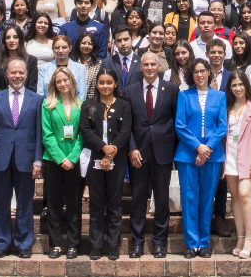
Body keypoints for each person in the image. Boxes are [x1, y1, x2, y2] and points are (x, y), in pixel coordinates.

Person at [0, 58, 42, 258]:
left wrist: (38, 160)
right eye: (13, 72)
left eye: (21, 73)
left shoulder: (37, 99)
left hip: (26, 156)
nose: (17, 76)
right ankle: (1, 244)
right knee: (0, 202)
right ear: (6, 74)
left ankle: (23, 244)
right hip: (0, 156)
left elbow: (39, 132)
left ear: (26, 74)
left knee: (25, 202)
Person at [124, 51, 178, 259]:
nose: (148, 68)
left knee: (162, 200)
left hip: (162, 154)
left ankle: (159, 243)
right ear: (141, 67)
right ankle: (137, 243)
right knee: (138, 199)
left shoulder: (171, 90)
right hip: (138, 153)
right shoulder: (130, 91)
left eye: (152, 65)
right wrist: (132, 148)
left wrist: (172, 152)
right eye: (145, 64)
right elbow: (127, 125)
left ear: (158, 67)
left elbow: (175, 122)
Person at [175, 59, 228, 258]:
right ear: (192, 75)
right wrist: (198, 147)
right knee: (190, 199)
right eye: (196, 72)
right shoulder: (184, 96)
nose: (199, 75)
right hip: (188, 154)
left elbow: (222, 126)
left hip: (212, 156)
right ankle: (191, 243)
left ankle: (203, 243)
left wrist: (207, 148)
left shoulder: (220, 96)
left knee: (207, 199)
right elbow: (180, 125)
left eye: (203, 71)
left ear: (209, 73)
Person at [80, 68, 131, 260]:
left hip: (116, 159)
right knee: (96, 203)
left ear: (115, 84)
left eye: (109, 82)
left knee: (115, 203)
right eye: (102, 82)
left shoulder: (124, 105)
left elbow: (125, 131)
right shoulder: (88, 105)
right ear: (97, 85)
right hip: (95, 158)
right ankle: (95, 245)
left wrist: (111, 151)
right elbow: (85, 130)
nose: (105, 86)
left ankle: (113, 245)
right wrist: (103, 148)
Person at [41, 66, 84, 259]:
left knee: (74, 203)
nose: (62, 84)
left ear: (72, 82)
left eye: (65, 80)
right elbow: (47, 135)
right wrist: (60, 159)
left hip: (74, 161)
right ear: (54, 84)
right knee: (54, 203)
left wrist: (72, 158)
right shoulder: (47, 105)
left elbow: (83, 135)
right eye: (58, 81)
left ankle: (74, 245)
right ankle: (56, 244)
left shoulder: (81, 105)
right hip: (53, 160)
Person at [221, 69, 251, 259]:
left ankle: (249, 238)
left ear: (246, 86)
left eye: (241, 84)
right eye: (234, 85)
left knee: (245, 193)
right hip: (229, 154)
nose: (238, 88)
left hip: (248, 155)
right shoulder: (227, 106)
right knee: (235, 197)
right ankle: (239, 237)